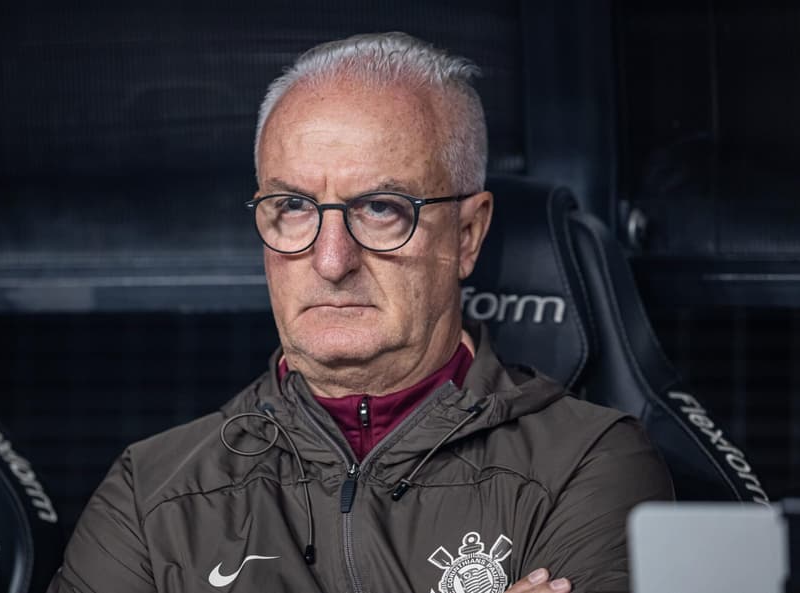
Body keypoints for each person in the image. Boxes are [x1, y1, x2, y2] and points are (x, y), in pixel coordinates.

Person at [48, 32, 673, 593]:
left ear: (467, 235)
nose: (330, 259)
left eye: (380, 208)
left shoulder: (589, 463)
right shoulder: (151, 492)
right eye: (293, 205)